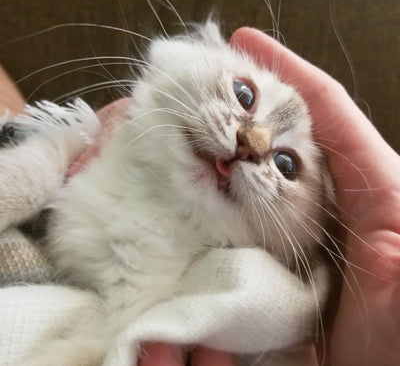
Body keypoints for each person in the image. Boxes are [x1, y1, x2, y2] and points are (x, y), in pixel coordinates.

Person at [1, 27, 399, 365]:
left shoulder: (259, 299)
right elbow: (58, 142)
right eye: (244, 96)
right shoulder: (108, 140)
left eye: (288, 165)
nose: (252, 143)